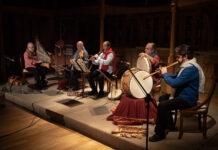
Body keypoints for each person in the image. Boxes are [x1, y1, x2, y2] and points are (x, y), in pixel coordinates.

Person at [149, 44, 205, 142]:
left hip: (188, 99)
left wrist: (165, 74)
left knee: (162, 105)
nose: (177, 60)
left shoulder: (190, 69)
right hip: (182, 96)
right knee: (163, 98)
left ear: (186, 56)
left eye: (179, 57)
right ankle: (170, 125)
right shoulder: (186, 67)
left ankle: (159, 134)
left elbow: (175, 83)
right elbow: (176, 76)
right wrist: (162, 75)